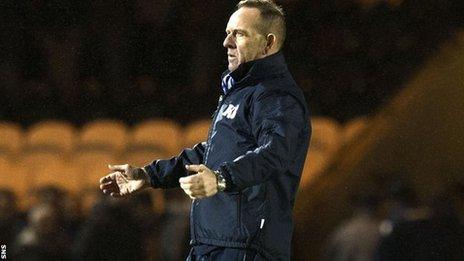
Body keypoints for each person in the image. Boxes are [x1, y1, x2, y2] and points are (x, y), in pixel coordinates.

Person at [99, 0, 311, 260]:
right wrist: (149, 175)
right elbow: (211, 153)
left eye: (239, 34)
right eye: (227, 33)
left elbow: (275, 153)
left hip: (246, 247)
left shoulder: (276, 96)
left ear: (269, 43)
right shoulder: (240, 92)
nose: (227, 43)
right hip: (212, 243)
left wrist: (221, 179)